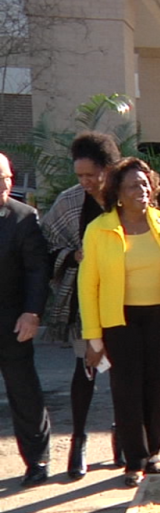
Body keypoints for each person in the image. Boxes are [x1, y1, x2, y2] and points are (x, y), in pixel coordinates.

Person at [79, 157, 160, 487]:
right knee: (127, 390)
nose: (140, 190)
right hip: (119, 318)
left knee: (157, 386)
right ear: (118, 194)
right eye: (131, 186)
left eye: (144, 184)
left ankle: (152, 455)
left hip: (159, 314)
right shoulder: (99, 229)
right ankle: (133, 461)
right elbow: (89, 285)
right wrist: (93, 338)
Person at [40, 132, 122, 479]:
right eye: (80, 176)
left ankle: (124, 436)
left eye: (91, 175)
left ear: (107, 169)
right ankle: (79, 440)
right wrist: (72, 256)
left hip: (122, 296)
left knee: (122, 370)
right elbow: (46, 243)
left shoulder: (123, 197)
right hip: (83, 297)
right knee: (84, 369)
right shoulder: (69, 201)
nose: (85, 182)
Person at [0, 153, 52, 487]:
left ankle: (37, 459)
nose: (1, 185)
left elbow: (37, 271)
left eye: (3, 177)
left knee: (24, 393)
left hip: (13, 323)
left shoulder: (24, 218)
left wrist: (33, 313)